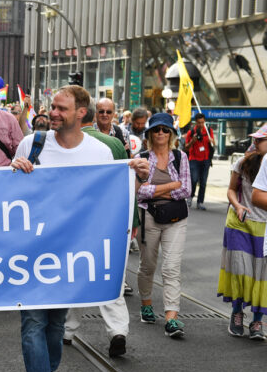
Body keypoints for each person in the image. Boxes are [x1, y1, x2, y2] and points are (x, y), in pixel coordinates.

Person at [11, 86, 149, 372]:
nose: (53, 113)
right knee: (32, 320)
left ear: (80, 114)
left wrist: (139, 180)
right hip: (32, 250)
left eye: (60, 108)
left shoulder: (99, 153)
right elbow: (9, 197)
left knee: (57, 324)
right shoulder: (33, 143)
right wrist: (15, 170)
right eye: (52, 107)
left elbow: (112, 199)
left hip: (69, 255)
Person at [63, 101, 133, 358]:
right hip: (110, 222)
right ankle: (118, 330)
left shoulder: (71, 144)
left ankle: (67, 331)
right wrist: (132, 222)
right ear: (95, 117)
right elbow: (127, 184)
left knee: (75, 274)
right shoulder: (114, 144)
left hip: (77, 223)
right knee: (109, 276)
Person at [136, 112, 191, 339]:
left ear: (171, 134)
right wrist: (171, 186)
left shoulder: (180, 157)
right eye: (157, 129)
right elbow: (140, 190)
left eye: (165, 130)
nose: (161, 133)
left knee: (171, 268)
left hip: (176, 219)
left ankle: (171, 318)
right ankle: (146, 303)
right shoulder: (141, 157)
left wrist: (157, 190)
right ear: (149, 133)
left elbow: (186, 189)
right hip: (148, 216)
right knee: (148, 265)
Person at [220, 124, 267, 339]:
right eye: (255, 139)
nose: (255, 142)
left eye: (260, 139)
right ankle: (237, 313)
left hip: (263, 227)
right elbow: (231, 190)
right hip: (240, 222)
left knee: (260, 275)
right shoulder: (243, 162)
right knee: (240, 270)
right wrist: (237, 206)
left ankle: (257, 322)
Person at [184, 112, 215, 211]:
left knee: (203, 182)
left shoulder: (209, 130)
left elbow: (213, 144)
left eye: (202, 122)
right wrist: (193, 140)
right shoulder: (191, 132)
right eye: (199, 123)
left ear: (204, 121)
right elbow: (186, 147)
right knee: (193, 180)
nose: (201, 124)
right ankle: (190, 197)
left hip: (206, 159)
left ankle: (200, 202)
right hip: (194, 160)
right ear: (196, 122)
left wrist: (212, 141)